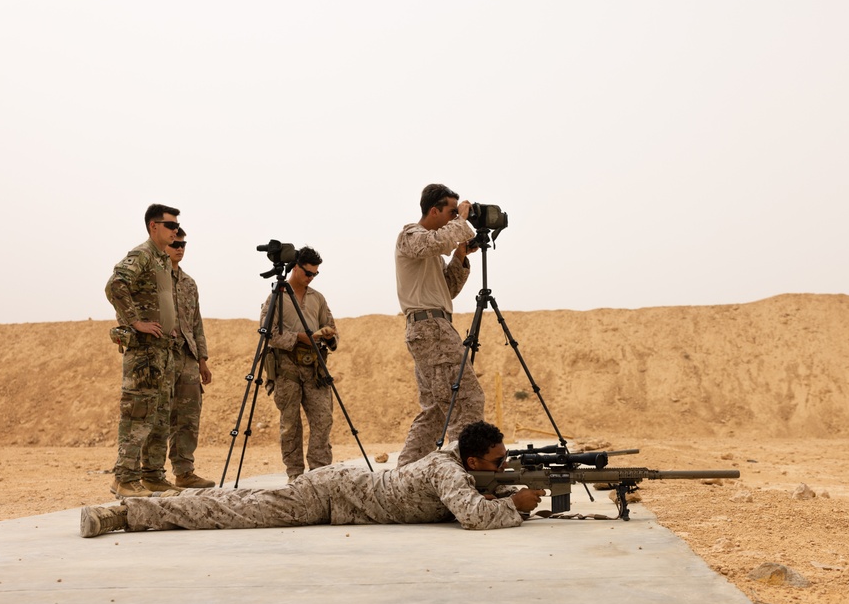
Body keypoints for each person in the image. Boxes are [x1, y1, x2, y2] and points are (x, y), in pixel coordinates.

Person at [80, 421, 546, 537]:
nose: (502, 468)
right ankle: (122, 513)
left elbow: (481, 490)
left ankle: (142, 509)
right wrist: (516, 506)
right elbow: (475, 517)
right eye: (497, 462)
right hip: (329, 496)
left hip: (343, 491)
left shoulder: (461, 467)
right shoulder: (448, 469)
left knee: (237, 500)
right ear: (471, 460)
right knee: (231, 511)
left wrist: (511, 487)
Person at [394, 183, 486, 467]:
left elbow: (447, 290)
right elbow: (434, 242)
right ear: (433, 211)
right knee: (466, 402)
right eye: (450, 212)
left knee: (435, 411)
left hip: (434, 326)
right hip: (430, 328)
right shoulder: (411, 235)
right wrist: (462, 221)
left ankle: (405, 475)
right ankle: (461, 473)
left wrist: (460, 255)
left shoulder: (431, 250)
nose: (454, 218)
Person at [105, 204, 181, 498]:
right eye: (171, 225)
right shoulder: (142, 254)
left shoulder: (161, 259)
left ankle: (152, 477)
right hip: (144, 353)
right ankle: (124, 479)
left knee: (160, 416)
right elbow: (115, 285)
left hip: (163, 350)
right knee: (138, 416)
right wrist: (135, 321)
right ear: (154, 226)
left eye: (176, 225)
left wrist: (168, 325)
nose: (175, 230)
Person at [260, 246, 339, 482]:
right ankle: (295, 474)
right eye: (307, 272)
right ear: (295, 268)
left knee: (323, 419)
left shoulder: (317, 298)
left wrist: (328, 336)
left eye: (315, 274)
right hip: (286, 368)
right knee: (290, 425)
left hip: (314, 367)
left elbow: (332, 327)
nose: (311, 277)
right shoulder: (276, 297)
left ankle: (319, 472)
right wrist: (298, 338)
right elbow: (267, 333)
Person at [158, 228, 216, 489]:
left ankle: (184, 472)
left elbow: (196, 323)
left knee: (189, 417)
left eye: (183, 244)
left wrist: (202, 360)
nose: (179, 248)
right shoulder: (154, 278)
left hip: (188, 356)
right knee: (159, 416)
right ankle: (153, 474)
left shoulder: (189, 283)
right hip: (162, 355)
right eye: (175, 244)